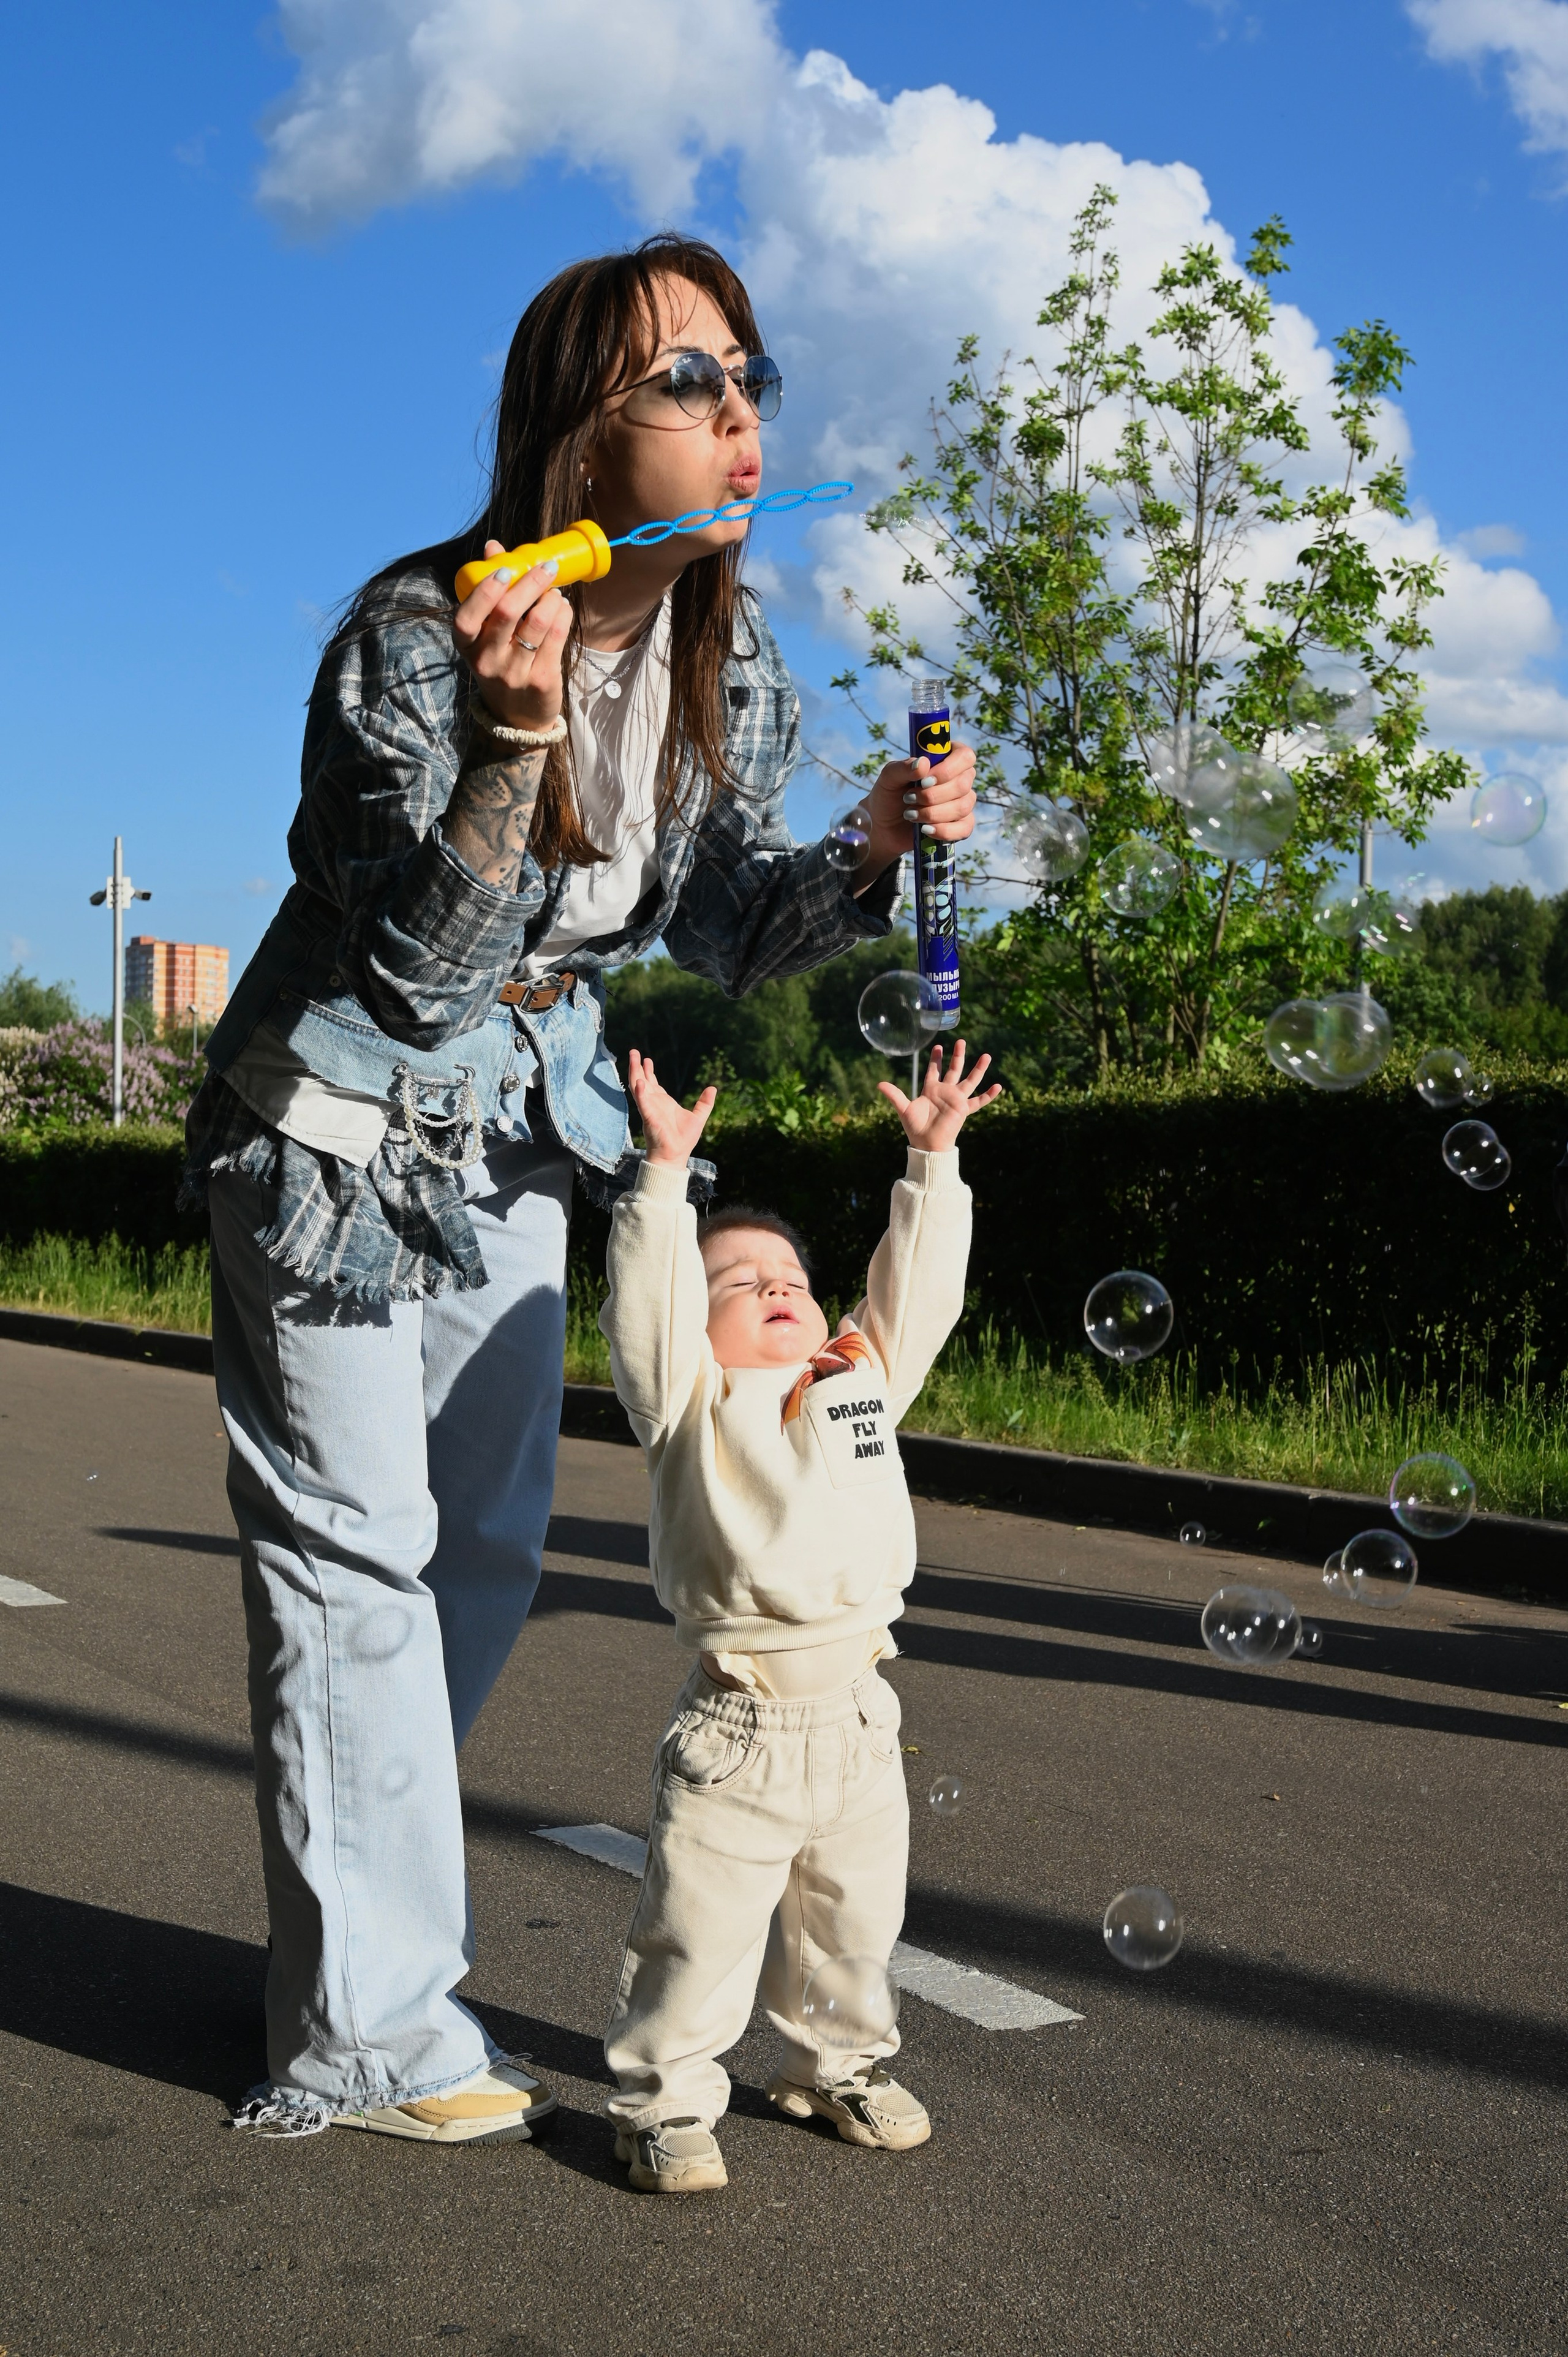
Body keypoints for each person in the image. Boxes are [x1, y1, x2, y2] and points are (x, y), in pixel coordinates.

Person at [185, 233, 979, 2141]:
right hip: (330, 1126)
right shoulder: (412, 637)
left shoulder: (731, 654)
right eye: (686, 382)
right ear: (575, 428)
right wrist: (508, 747)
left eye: (748, 377)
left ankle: (356, 1935)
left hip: (517, 1133)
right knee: (355, 1561)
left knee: (485, 1548)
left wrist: (865, 853)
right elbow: (414, 975)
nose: (739, 416)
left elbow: (720, 927)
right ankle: (371, 2032)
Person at [597, 1038, 1001, 2193]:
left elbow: (916, 1296)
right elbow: (648, 1316)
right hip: (741, 1729)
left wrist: (932, 1164)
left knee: (853, 1926)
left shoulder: (855, 1374)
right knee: (701, 1937)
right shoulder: (688, 1404)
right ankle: (663, 2103)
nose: (773, 1284)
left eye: (787, 1273)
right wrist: (665, 1182)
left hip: (863, 1719)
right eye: (736, 1283)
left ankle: (838, 2066)